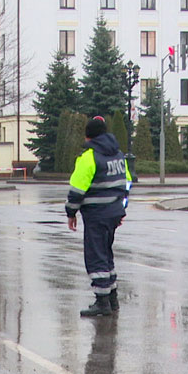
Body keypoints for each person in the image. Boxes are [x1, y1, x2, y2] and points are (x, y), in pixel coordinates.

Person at [66, 115, 131, 317]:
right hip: (113, 213)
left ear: (89, 138)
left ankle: (102, 302)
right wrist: (121, 209)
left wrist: (71, 212)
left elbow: (77, 190)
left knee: (96, 256)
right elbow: (126, 184)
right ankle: (112, 298)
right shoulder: (119, 156)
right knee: (106, 254)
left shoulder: (89, 158)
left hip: (96, 215)